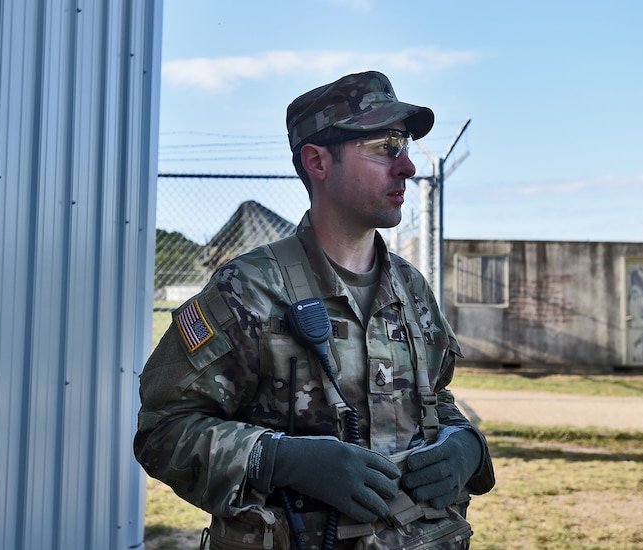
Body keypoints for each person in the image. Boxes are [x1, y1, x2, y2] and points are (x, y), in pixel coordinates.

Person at [135, 70, 495, 549]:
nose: (406, 166)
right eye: (385, 146)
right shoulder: (249, 290)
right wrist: (280, 460)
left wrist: (466, 446)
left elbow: (435, 399)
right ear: (317, 162)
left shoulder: (410, 287)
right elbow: (164, 427)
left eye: (405, 145)